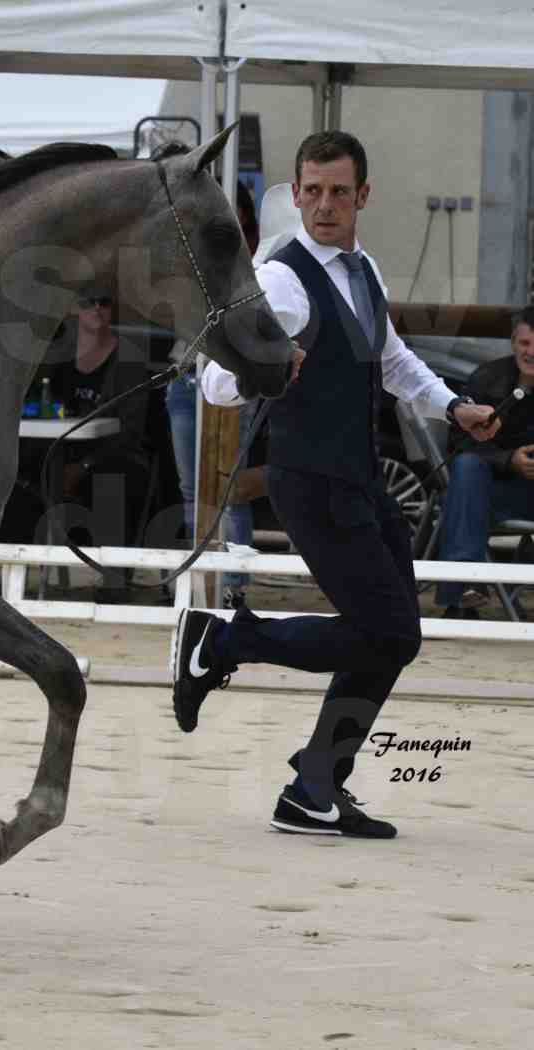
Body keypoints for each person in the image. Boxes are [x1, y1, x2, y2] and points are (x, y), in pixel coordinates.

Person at [170, 130, 500, 838]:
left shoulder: (364, 270)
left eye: (337, 192)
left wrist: (452, 407)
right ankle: (224, 643)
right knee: (385, 631)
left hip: (359, 480)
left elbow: (392, 360)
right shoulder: (282, 280)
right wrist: (267, 364)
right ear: (296, 193)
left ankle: (313, 787)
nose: (322, 205)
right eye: (311, 191)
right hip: (311, 480)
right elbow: (215, 381)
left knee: (391, 637)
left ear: (362, 196)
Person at [165, 177, 264, 600]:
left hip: (229, 377)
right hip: (187, 373)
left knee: (229, 488)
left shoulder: (255, 259)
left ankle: (233, 586)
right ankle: (199, 580)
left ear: (242, 213)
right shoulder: (194, 252)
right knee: (192, 488)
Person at [42, 294, 154, 601]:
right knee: (13, 475)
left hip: (113, 453)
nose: (96, 309)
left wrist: (84, 466)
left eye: (104, 302)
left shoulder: (128, 359)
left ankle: (114, 581)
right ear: (71, 309)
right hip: (56, 452)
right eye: (87, 301)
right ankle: (3, 568)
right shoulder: (56, 357)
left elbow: (131, 429)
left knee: (114, 479)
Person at [433, 306, 534, 618]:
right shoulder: (487, 378)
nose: (531, 352)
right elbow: (458, 445)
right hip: (496, 492)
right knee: (466, 469)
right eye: (525, 343)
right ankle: (464, 586)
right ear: (513, 343)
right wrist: (509, 461)